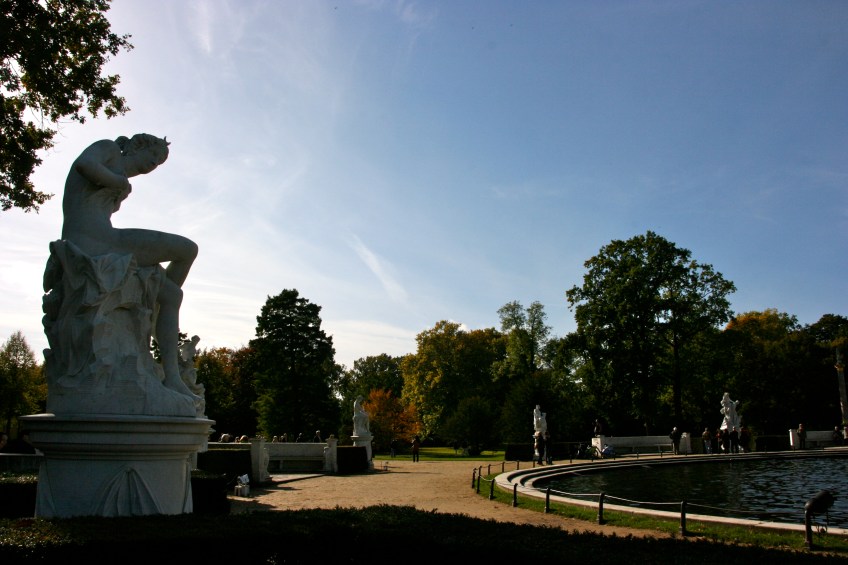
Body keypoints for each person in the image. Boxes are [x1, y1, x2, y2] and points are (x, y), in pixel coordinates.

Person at [60, 134, 198, 400]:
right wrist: (119, 182)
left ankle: (172, 376)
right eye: (154, 158)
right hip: (93, 240)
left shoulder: (119, 174)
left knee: (172, 294)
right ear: (137, 146)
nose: (153, 165)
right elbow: (84, 164)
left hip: (104, 238)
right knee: (187, 249)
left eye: (159, 163)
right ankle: (154, 313)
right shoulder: (108, 149)